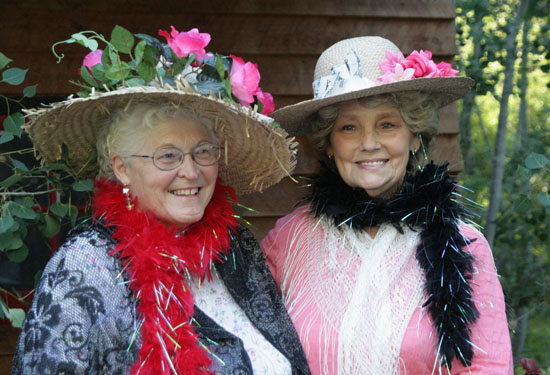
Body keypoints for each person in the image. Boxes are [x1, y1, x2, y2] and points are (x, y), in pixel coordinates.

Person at [11, 26, 310, 375]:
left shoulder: (235, 246)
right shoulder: (84, 268)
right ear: (122, 167)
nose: (190, 172)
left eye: (203, 152)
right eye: (167, 156)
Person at [261, 36, 513, 374]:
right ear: (329, 145)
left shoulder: (462, 244)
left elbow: (488, 367)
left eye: (387, 124)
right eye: (349, 127)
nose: (369, 143)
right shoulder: (288, 240)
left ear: (413, 135)